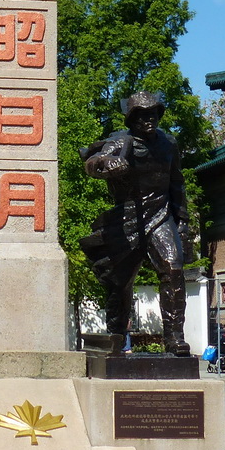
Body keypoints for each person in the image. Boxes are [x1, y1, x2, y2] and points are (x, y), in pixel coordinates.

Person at [80, 90, 194, 357]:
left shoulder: (169, 144)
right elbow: (93, 162)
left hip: (160, 214)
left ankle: (175, 337)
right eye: (141, 115)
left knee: (173, 269)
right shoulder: (121, 142)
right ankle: (117, 335)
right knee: (121, 283)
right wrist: (108, 163)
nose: (148, 120)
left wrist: (183, 221)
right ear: (131, 120)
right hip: (128, 219)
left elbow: (176, 182)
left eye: (152, 114)